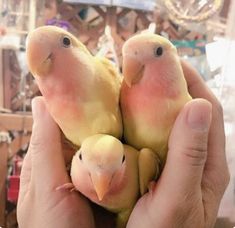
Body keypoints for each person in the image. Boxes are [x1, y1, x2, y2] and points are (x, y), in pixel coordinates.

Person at [17, 61, 229, 228]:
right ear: (77, 155)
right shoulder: (74, 163)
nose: (101, 181)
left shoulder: (142, 162)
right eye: (81, 159)